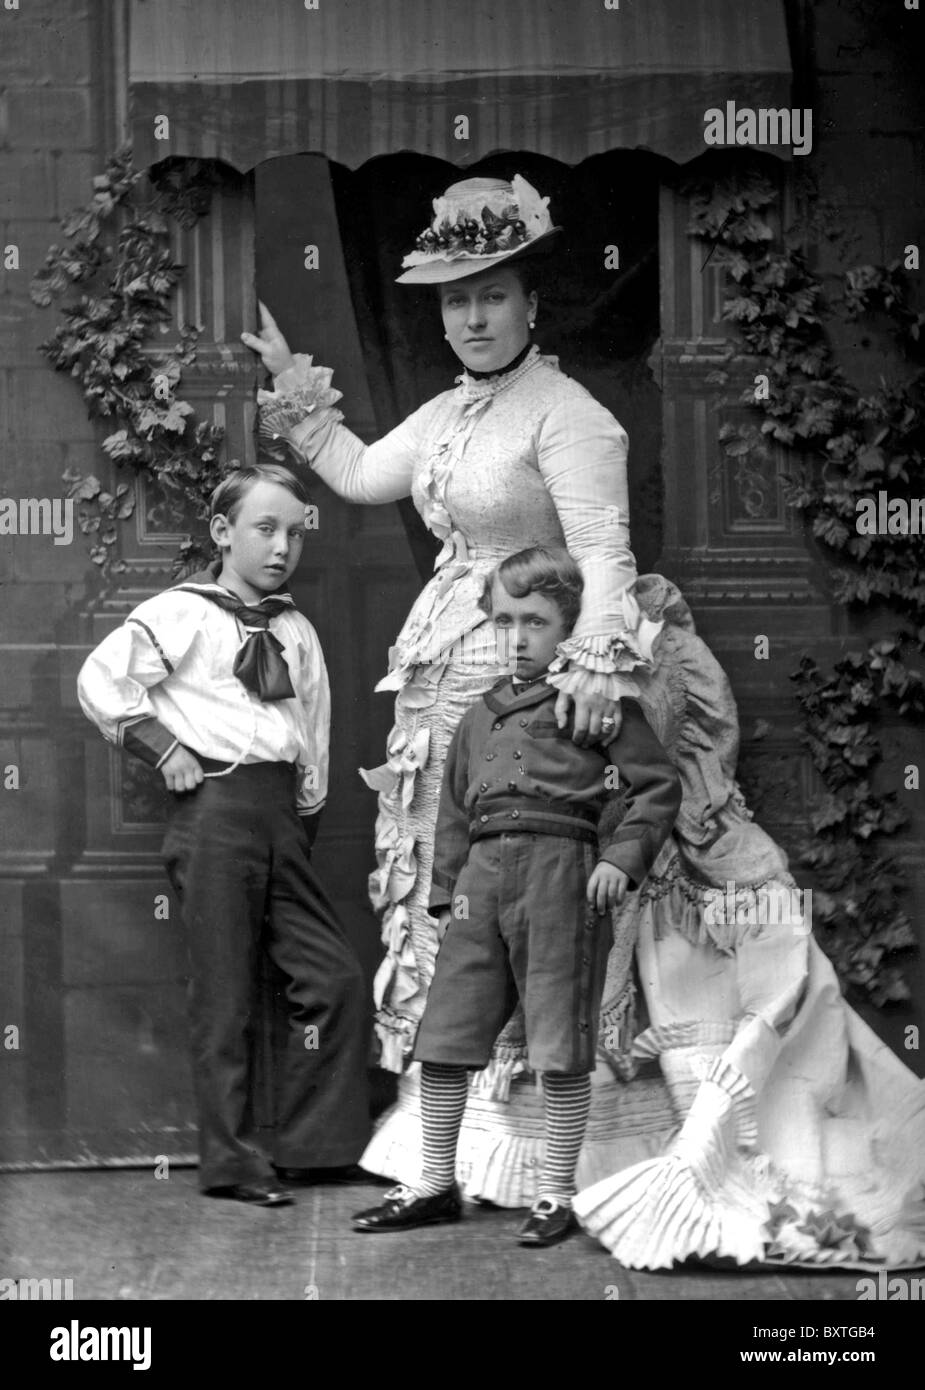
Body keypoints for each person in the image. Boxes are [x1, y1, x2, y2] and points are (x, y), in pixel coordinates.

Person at [245, 174, 925, 1268]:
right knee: (448, 902)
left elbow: (603, 557)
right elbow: (365, 474)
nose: (470, 318)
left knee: (542, 928)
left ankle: (557, 1164)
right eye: (452, 301)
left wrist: (594, 669)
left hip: (537, 673)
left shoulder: (571, 417)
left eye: (491, 296)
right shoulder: (454, 410)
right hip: (443, 686)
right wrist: (296, 394)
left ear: (529, 303)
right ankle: (452, 1159)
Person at [351, 547, 681, 1244]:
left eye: (534, 621)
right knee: (444, 1037)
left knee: (557, 1040)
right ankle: (433, 1183)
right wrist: (444, 899)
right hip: (480, 884)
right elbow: (449, 812)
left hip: (560, 876)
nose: (516, 638)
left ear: (569, 627)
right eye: (503, 622)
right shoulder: (476, 715)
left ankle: (555, 1195)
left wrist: (619, 858)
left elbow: (656, 788)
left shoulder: (596, 703)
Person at [77, 463, 371, 1206]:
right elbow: (100, 680)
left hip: (281, 818)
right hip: (213, 817)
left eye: (293, 533)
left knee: (333, 981)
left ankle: (313, 1149)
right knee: (226, 995)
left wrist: (302, 818)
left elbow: (315, 734)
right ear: (221, 533)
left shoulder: (295, 629)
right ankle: (234, 1164)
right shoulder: (183, 613)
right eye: (263, 529)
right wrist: (163, 749)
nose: (281, 548)